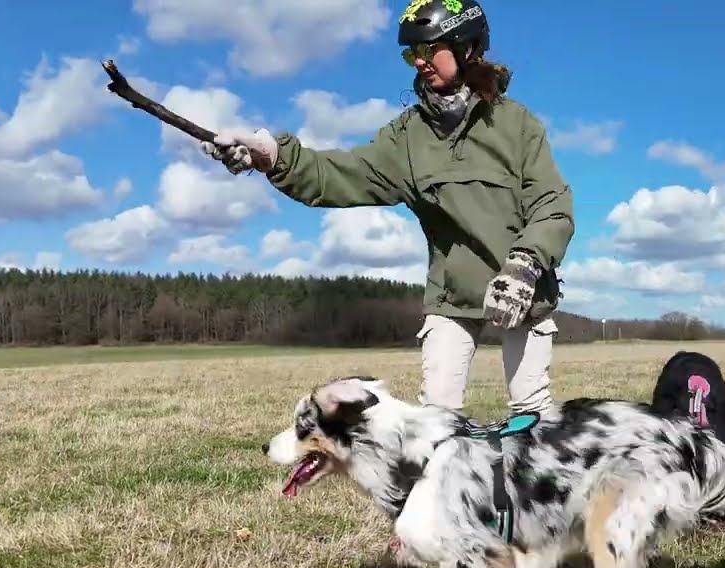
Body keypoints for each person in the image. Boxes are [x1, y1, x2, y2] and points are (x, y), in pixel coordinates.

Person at [200, 0, 574, 417]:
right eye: (411, 53)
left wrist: (525, 264)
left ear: (467, 48)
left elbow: (552, 204)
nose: (418, 62)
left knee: (532, 416)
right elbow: (337, 174)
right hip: (453, 295)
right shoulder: (407, 137)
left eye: (429, 51)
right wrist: (272, 156)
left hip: (524, 287)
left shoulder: (517, 125)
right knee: (436, 419)